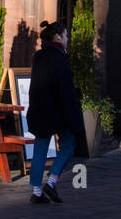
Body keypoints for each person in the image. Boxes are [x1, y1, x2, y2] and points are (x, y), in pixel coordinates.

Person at [26, 19, 85, 204]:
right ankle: (51, 182)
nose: (68, 38)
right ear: (58, 37)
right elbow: (65, 92)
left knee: (39, 150)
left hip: (39, 110)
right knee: (69, 145)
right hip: (58, 112)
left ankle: (36, 192)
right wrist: (74, 118)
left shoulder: (38, 56)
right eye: (66, 35)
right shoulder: (60, 58)